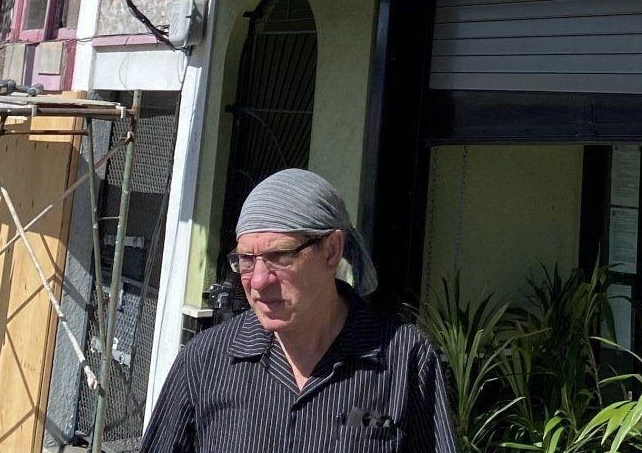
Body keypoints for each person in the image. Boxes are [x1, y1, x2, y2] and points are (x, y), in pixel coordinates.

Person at [142, 168, 459, 453]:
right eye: (246, 260)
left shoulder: (405, 358)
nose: (258, 281)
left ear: (331, 251)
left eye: (280, 256)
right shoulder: (205, 361)